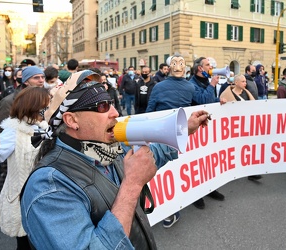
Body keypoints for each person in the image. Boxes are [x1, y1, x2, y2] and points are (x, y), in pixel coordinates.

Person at [20, 70, 210, 249]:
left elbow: (152, 155)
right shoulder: (48, 186)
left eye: (110, 103)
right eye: (102, 106)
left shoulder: (106, 148)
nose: (115, 113)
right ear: (71, 120)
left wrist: (184, 128)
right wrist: (133, 184)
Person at [0, 87, 50, 250]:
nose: (47, 108)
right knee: (26, 244)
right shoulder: (13, 131)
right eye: (45, 105)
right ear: (34, 106)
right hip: (22, 199)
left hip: (45, 196)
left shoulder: (45, 127)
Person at [146, 54, 195, 228]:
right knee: (176, 172)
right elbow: (202, 105)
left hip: (160, 133)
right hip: (180, 134)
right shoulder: (190, 87)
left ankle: (165, 209)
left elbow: (150, 110)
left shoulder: (158, 87)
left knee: (161, 172)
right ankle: (172, 209)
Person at [0, 66, 45, 192]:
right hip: (13, 166)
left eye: (43, 77)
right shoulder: (9, 101)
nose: (41, 80)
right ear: (26, 81)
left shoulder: (44, 97)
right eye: (36, 78)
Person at [189, 56, 225, 209]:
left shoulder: (207, 81)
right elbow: (202, 99)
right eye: (208, 64)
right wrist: (212, 85)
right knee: (196, 161)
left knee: (208, 159)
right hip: (197, 127)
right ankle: (196, 194)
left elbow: (211, 100)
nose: (211, 67)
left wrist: (219, 100)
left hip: (208, 126)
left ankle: (210, 188)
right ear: (200, 68)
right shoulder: (191, 84)